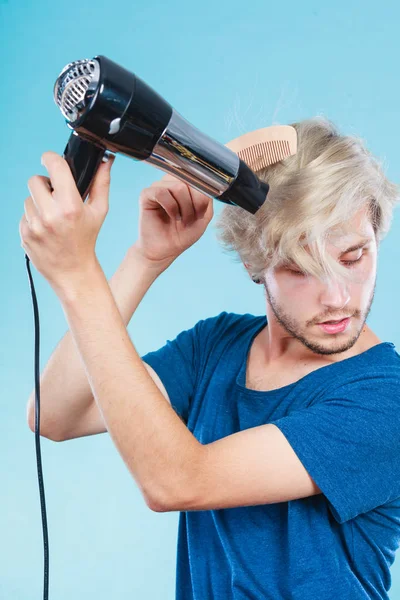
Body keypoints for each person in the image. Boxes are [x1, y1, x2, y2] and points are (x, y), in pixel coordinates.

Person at [27, 116, 400, 599]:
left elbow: (178, 481)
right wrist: (146, 259)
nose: (336, 297)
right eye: (300, 267)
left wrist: (78, 276)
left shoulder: (385, 402)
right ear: (254, 262)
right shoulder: (216, 347)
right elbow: (54, 413)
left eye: (353, 258)